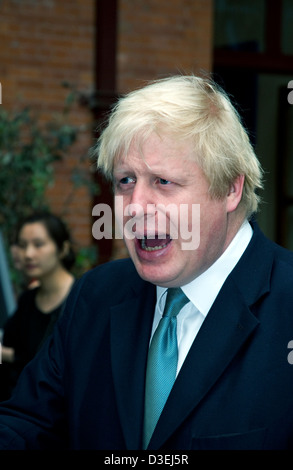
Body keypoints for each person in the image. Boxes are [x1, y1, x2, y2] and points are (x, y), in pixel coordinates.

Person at [0, 75, 293, 450]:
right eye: (125, 181)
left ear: (230, 189)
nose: (134, 207)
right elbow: (29, 424)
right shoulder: (94, 297)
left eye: (163, 182)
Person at [0, 212, 75, 400]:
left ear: (63, 248)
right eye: (23, 245)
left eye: (38, 244)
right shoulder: (28, 301)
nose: (28, 254)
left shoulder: (80, 299)